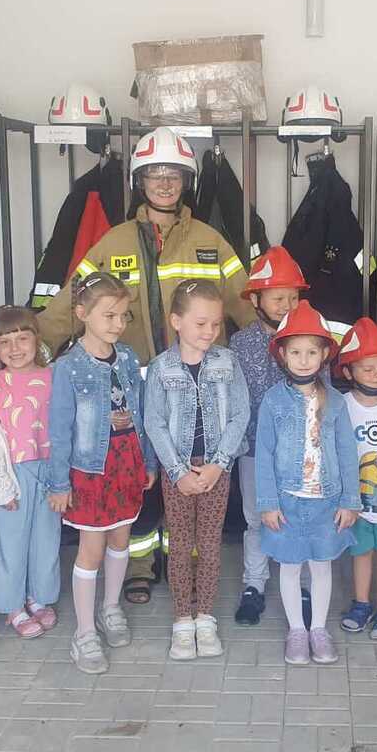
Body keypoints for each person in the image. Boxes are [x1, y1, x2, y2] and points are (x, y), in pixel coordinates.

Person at [36, 126, 256, 605]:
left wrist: (278, 350)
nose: (164, 183)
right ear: (140, 181)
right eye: (155, 174)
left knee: (185, 478)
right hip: (132, 389)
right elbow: (72, 303)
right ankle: (138, 564)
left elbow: (246, 303)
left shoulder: (211, 241)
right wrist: (31, 349)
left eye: (173, 174)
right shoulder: (113, 242)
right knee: (139, 480)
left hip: (194, 388)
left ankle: (184, 563)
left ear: (186, 181)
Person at [47, 271, 158, 675]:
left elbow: (141, 412)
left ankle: (110, 608)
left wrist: (148, 461)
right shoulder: (68, 367)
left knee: (121, 539)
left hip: (127, 463)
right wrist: (59, 482)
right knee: (91, 549)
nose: (117, 323)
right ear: (82, 314)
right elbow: (59, 430)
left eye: (123, 315)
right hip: (90, 470)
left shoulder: (127, 357)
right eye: (108, 315)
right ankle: (84, 632)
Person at [144, 280, 251, 661]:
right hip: (178, 475)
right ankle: (181, 621)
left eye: (216, 324)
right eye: (201, 323)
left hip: (216, 472)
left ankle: (205, 617)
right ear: (176, 321)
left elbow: (240, 414)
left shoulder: (228, 362)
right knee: (178, 545)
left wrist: (218, 465)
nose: (210, 332)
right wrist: (178, 472)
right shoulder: (160, 368)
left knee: (208, 544)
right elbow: (154, 422)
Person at [255, 301, 360, 665]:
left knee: (321, 565)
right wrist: (268, 502)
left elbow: (347, 451)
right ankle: (297, 631)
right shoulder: (272, 401)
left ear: (324, 355)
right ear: (282, 355)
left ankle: (318, 629)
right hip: (287, 502)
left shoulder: (337, 402)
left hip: (326, 503)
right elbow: (264, 453)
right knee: (289, 566)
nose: (303, 360)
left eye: (311, 352)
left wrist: (350, 500)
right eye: (296, 352)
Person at [228, 245, 306, 626]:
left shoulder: (309, 338)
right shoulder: (239, 344)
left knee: (299, 516)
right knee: (257, 519)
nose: (287, 305)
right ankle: (254, 585)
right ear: (256, 300)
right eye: (278, 298)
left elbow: (322, 393)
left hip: (300, 452)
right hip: (254, 450)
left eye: (293, 297)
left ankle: (302, 585)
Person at [0, 305, 59, 639]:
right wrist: (1, 486)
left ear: (36, 339)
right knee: (11, 542)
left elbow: (65, 428)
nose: (14, 348)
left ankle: (39, 597)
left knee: (46, 538)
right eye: (5, 342)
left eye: (22, 339)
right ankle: (13, 605)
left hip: (50, 470)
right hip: (13, 473)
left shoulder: (54, 377)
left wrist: (63, 477)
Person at [333, 318, 377, 641]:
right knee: (360, 553)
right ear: (348, 372)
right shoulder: (341, 406)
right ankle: (361, 603)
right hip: (355, 501)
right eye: (368, 368)